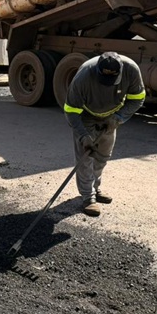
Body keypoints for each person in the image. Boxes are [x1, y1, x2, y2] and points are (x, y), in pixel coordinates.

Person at [63, 52, 145, 217]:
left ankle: (95, 188)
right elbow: (71, 111)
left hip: (111, 118)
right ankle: (88, 197)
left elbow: (138, 98)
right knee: (86, 158)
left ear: (120, 71)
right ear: (97, 71)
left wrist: (118, 118)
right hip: (86, 116)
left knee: (102, 156)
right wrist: (83, 135)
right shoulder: (84, 77)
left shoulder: (131, 70)